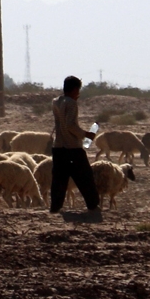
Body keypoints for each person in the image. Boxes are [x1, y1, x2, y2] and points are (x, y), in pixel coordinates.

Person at [50, 76, 100, 218]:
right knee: (85, 177)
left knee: (59, 179)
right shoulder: (71, 103)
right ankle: (93, 205)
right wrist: (86, 134)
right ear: (75, 89)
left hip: (58, 146)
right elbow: (70, 125)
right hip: (72, 147)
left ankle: (55, 207)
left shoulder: (56, 102)